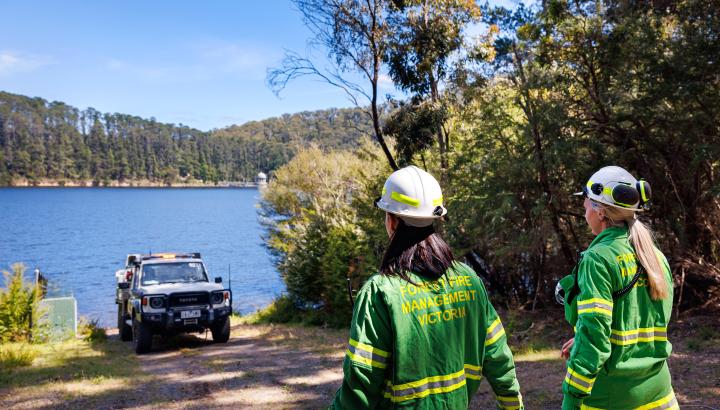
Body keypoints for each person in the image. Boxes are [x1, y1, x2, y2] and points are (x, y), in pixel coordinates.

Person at [331, 165, 522, 409]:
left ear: (391, 221)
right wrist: (514, 406)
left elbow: (360, 383)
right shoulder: (469, 280)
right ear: (436, 219)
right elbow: (498, 358)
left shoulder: (379, 291)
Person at [557, 166, 677, 410]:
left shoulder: (597, 259)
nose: (584, 208)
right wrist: (582, 336)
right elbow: (640, 322)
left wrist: (571, 399)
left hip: (612, 398)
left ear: (600, 212)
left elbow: (595, 340)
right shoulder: (655, 256)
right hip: (661, 395)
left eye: (588, 203)